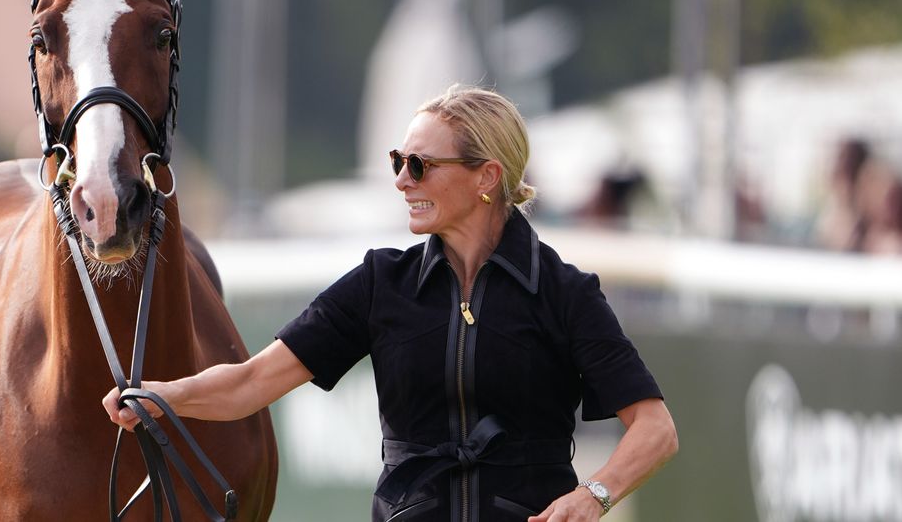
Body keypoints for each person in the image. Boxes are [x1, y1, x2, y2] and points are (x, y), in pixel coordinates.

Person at [104, 85, 678, 521]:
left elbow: (655, 429)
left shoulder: (565, 292)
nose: (402, 180)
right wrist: (159, 397)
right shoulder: (381, 282)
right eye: (398, 161)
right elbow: (250, 383)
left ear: (487, 177)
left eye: (420, 165)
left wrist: (592, 497)